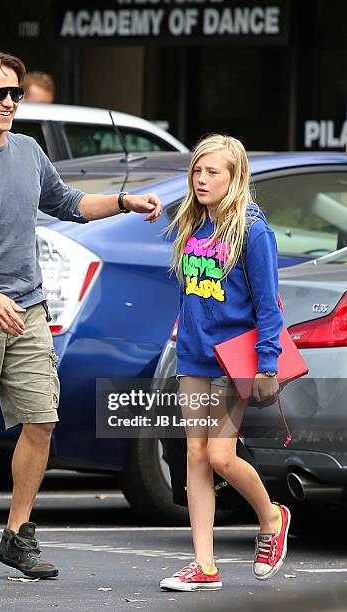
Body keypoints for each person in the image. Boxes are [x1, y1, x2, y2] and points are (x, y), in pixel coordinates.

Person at [0, 47, 161, 582]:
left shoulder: (28, 151)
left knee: (43, 419)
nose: (9, 103)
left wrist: (125, 201)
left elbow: (68, 203)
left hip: (27, 309)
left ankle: (16, 534)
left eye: (16, 93)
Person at [159, 134, 290, 592]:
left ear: (235, 179)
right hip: (193, 357)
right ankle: (204, 566)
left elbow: (268, 305)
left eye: (213, 172)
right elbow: (190, 295)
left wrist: (267, 365)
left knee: (220, 455)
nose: (202, 179)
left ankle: (272, 517)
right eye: (198, 170)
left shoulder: (253, 230)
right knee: (195, 455)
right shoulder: (193, 228)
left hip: (232, 361)